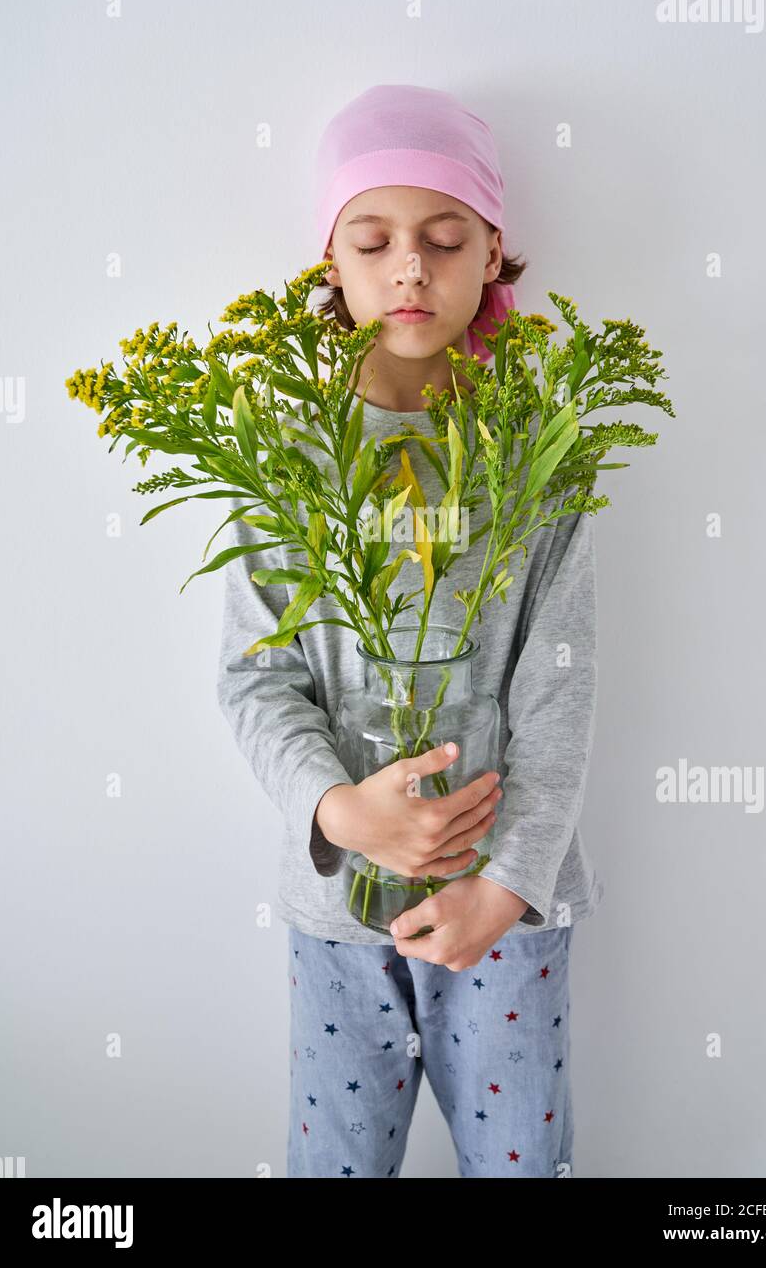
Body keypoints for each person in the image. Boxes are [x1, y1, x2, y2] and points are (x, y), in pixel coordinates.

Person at [216, 84, 604, 1177]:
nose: (409, 269)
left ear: (492, 253)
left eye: (442, 238)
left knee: (522, 1161)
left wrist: (509, 879)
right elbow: (256, 678)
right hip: (338, 909)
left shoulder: (540, 444)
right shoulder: (282, 450)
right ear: (329, 262)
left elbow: (559, 679)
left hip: (506, 911)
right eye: (372, 238)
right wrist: (339, 811)